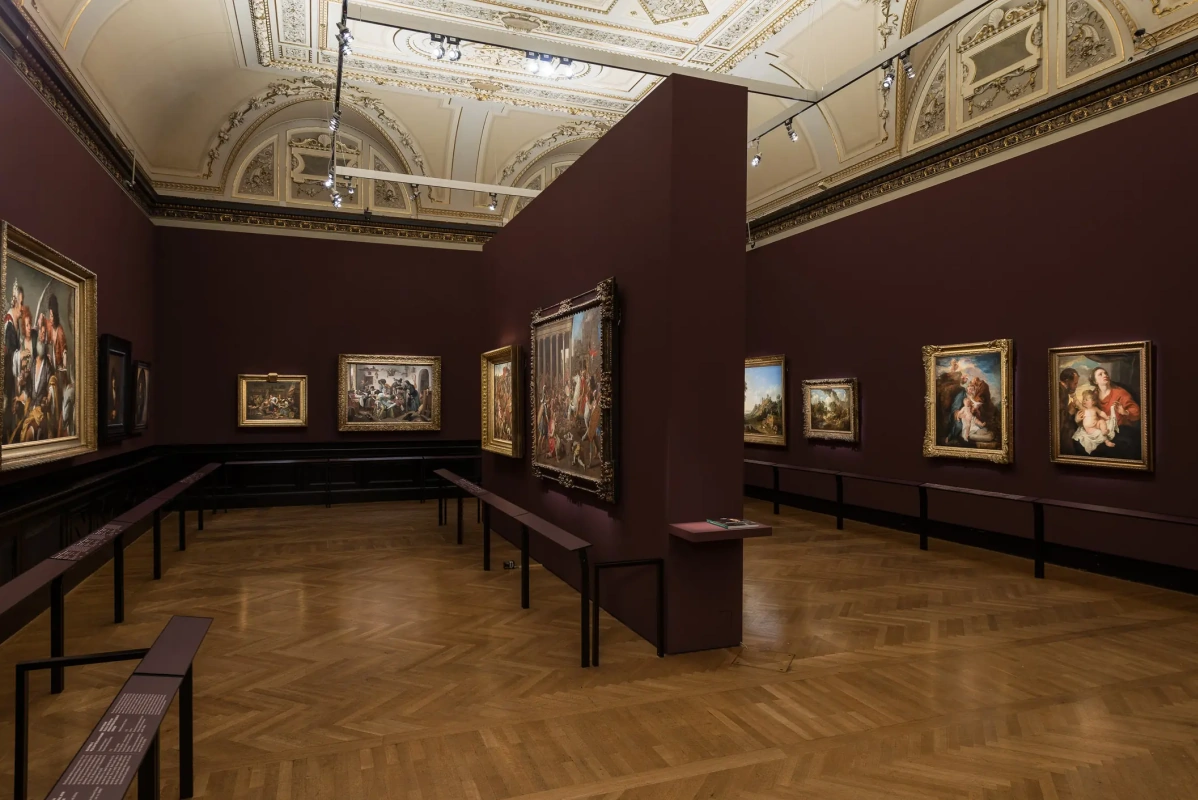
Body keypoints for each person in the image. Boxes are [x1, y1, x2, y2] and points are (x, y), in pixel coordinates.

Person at [1072, 389, 1117, 454]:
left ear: (1093, 402)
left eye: (1086, 400)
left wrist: (1106, 417)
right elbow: (1078, 403)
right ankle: (1106, 441)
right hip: (1089, 428)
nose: (1084, 401)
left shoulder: (1095, 408)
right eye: (1083, 399)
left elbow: (1101, 413)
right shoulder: (1084, 409)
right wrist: (1074, 396)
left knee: (1101, 421)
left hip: (1096, 424)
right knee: (1099, 433)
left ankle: (1104, 431)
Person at [1058, 368, 1080, 452]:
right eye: (1075, 383)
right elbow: (1057, 418)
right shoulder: (1059, 391)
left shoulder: (1063, 390)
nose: (1076, 386)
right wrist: (1070, 412)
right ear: (1067, 381)